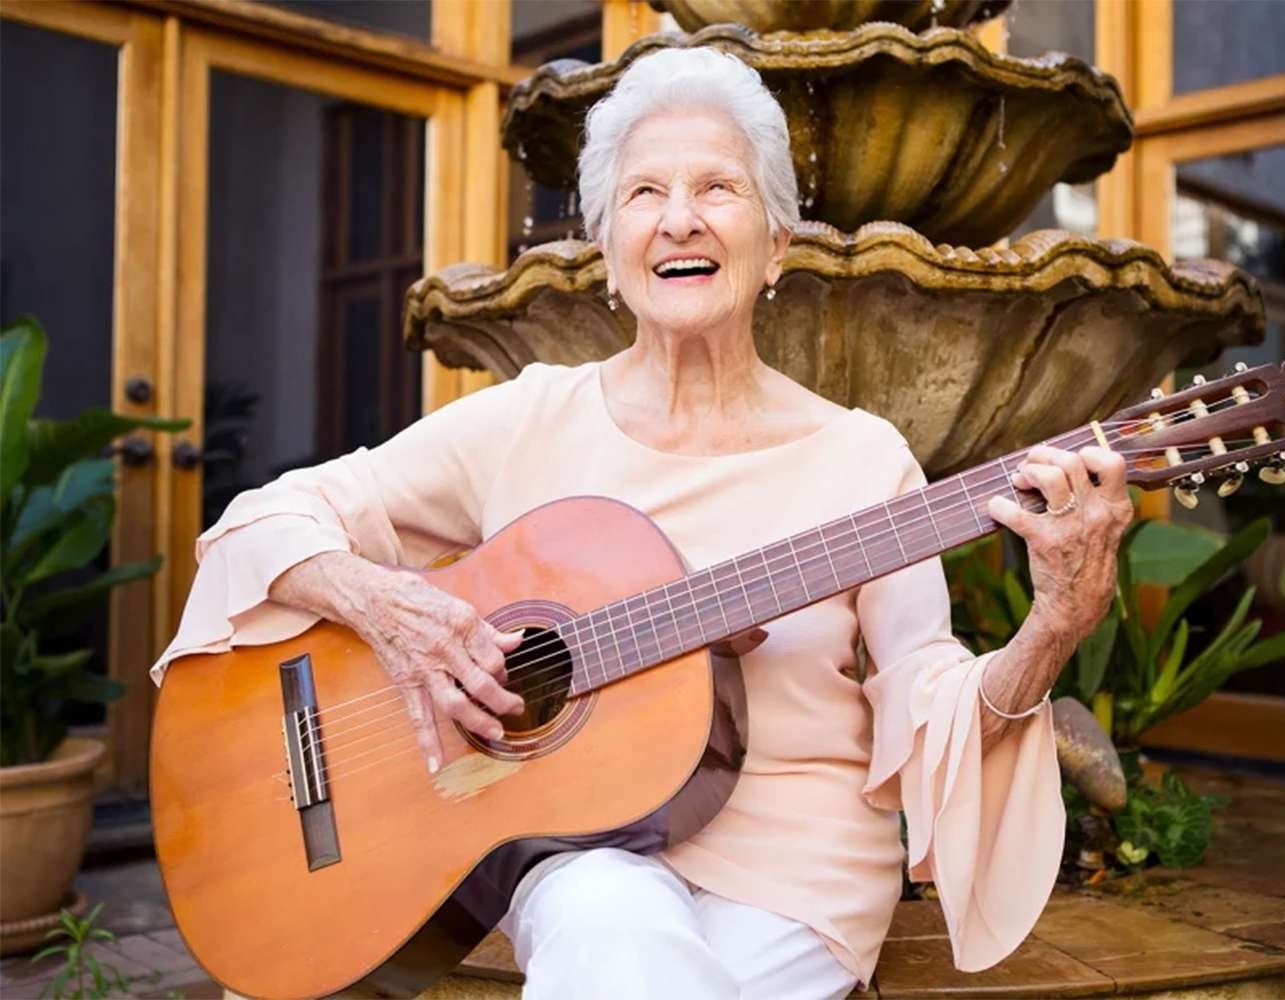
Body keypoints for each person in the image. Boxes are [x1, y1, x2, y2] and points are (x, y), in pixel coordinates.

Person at [153, 46, 1132, 1000]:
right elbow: (267, 519)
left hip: (796, 877)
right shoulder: (529, 419)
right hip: (583, 861)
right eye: (644, 194)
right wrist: (382, 606)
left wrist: (1053, 628)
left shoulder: (862, 459)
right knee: (605, 920)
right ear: (608, 257)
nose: (679, 221)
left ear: (777, 245)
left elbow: (930, 695)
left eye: (718, 188)